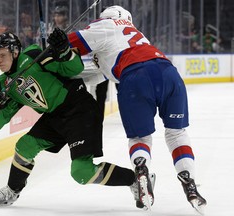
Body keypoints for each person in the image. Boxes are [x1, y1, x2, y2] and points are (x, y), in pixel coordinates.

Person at [68, 5, 207, 213]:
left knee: (140, 138)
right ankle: (189, 179)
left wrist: (54, 46)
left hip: (135, 78)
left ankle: (141, 169)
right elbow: (101, 73)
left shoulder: (105, 25)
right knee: (176, 133)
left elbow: (69, 44)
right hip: (168, 72)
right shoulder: (134, 35)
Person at [0, 29, 141, 207]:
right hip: (54, 115)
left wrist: (63, 50)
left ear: (15, 51)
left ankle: (136, 180)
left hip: (79, 108)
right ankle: (12, 190)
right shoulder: (3, 85)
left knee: (82, 172)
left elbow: (75, 68)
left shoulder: (34, 56)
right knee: (25, 146)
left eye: (3, 55)